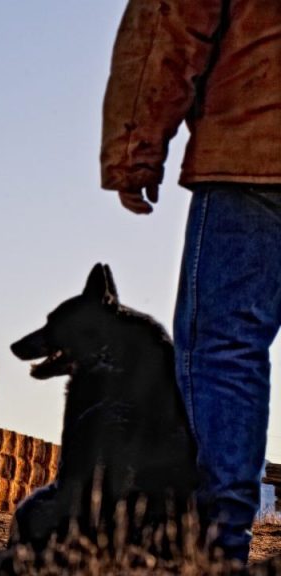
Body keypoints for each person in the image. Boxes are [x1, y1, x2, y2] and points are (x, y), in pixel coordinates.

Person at [101, 0, 281, 564]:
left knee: (226, 348)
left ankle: (218, 547)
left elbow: (169, 20)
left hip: (256, 151)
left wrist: (135, 149)